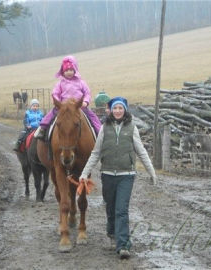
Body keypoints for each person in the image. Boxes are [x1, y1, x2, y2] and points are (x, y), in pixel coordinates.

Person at [79, 96, 157, 259]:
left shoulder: (132, 127)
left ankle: (123, 245)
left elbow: (141, 151)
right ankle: (112, 233)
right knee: (110, 208)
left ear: (125, 110)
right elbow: (96, 153)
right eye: (115, 108)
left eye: (120, 108)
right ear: (111, 110)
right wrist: (84, 173)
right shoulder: (104, 128)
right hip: (107, 175)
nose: (118, 111)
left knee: (121, 210)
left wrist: (152, 172)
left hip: (126, 175)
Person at [36, 55, 102, 139]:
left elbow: (87, 93)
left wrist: (85, 102)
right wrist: (58, 103)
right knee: (50, 115)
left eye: (71, 70)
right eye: (66, 70)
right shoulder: (60, 83)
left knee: (92, 117)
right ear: (63, 72)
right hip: (63, 107)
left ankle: (99, 132)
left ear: (75, 70)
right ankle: (43, 129)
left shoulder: (81, 82)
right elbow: (55, 93)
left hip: (79, 106)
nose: (69, 72)